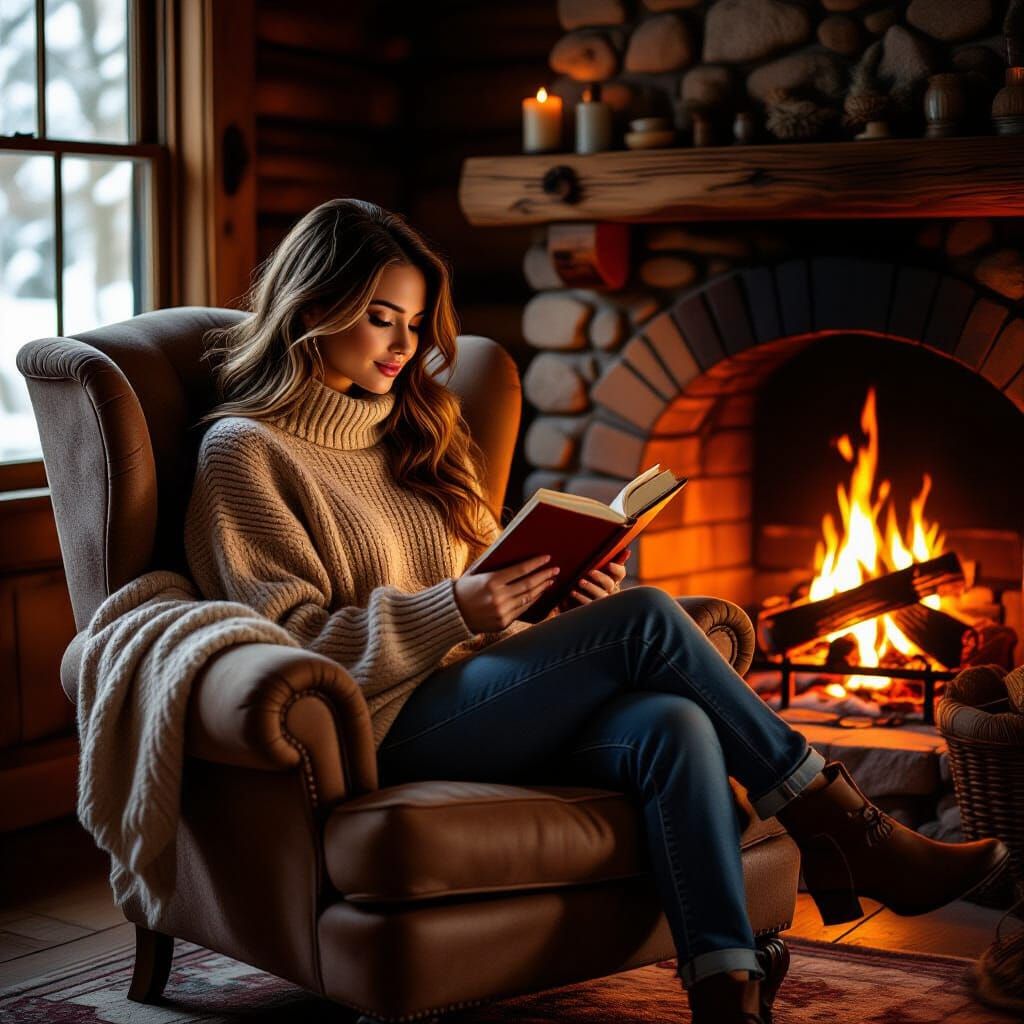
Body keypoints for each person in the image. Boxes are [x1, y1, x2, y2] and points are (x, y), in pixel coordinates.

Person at [184, 198, 1009, 1024]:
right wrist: (455, 608)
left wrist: (552, 601)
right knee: (650, 617)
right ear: (313, 307)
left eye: (415, 322)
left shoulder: (418, 431)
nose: (405, 346)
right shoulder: (246, 452)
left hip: (476, 696)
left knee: (670, 726)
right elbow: (289, 642)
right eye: (380, 319)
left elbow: (485, 601)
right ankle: (849, 831)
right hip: (378, 721)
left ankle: (727, 992)